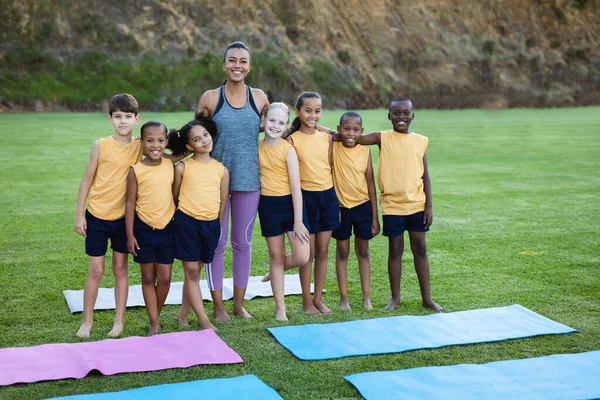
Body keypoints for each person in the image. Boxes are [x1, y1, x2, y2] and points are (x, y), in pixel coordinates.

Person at [195, 41, 269, 321]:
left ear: (250, 66)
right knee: (216, 243)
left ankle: (238, 304)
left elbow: (279, 126)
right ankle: (218, 306)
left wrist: (321, 130)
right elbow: (195, 136)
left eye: (243, 61)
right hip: (214, 182)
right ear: (223, 65)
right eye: (232, 60)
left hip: (249, 182)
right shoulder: (211, 98)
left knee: (243, 243)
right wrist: (161, 152)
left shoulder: (260, 97)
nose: (237, 65)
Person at [358, 97, 444, 312]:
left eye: (406, 113)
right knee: (395, 251)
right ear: (389, 116)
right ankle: (395, 298)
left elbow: (426, 176)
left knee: (420, 250)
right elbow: (353, 138)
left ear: (413, 115)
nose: (401, 117)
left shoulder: (420, 141)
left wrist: (429, 206)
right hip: (392, 207)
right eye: (396, 113)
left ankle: (427, 298)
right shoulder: (382, 138)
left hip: (417, 205)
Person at [73, 93, 143, 338]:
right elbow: (86, 181)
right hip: (97, 216)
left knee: (120, 269)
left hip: (123, 220)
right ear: (109, 119)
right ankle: (87, 320)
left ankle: (119, 321)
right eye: (117, 117)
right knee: (96, 270)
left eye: (127, 117)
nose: (122, 121)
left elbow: (166, 150)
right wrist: (79, 215)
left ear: (136, 119)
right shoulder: (100, 145)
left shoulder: (140, 146)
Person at [168, 115, 228, 331]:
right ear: (188, 146)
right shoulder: (183, 167)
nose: (204, 140)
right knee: (191, 272)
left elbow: (222, 204)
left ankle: (183, 313)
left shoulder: (221, 169)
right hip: (187, 224)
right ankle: (204, 322)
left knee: (194, 272)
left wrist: (217, 229)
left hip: (210, 226)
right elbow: (175, 197)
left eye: (205, 134)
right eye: (196, 139)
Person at [287, 92, 339, 315]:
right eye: (308, 110)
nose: (313, 115)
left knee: (323, 251)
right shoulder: (291, 140)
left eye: (317, 111)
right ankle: (306, 301)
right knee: (306, 254)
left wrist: (325, 129)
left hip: (327, 197)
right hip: (304, 199)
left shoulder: (326, 138)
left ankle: (318, 299)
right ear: (298, 111)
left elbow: (329, 167)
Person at [257, 103, 310, 320]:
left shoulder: (288, 150)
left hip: (291, 205)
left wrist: (298, 221)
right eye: (271, 120)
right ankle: (281, 310)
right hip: (268, 206)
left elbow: (296, 188)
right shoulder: (257, 147)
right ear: (263, 121)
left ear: (286, 125)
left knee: (302, 256)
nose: (275, 125)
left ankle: (275, 270)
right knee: (276, 256)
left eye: (281, 122)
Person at [125, 120, 175, 335]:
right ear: (142, 142)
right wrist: (130, 235)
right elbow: (129, 203)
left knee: (164, 277)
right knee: (147, 277)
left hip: (168, 229)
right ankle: (154, 322)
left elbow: (188, 147)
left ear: (167, 142)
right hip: (143, 230)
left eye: (161, 140)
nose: (156, 145)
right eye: (150, 140)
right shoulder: (135, 170)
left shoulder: (171, 164)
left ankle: (157, 313)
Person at [331, 111, 379, 310]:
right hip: (341, 208)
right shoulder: (332, 147)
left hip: (362, 207)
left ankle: (366, 297)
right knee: (342, 252)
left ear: (362, 131)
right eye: (346, 129)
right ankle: (344, 299)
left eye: (355, 129)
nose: (351, 133)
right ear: (339, 129)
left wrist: (375, 217)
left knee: (363, 251)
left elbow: (370, 184)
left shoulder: (364, 152)